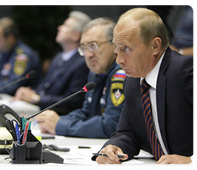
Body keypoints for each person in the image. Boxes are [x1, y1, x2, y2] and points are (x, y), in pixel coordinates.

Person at [94, 8, 194, 165]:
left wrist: (192, 161)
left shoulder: (185, 71)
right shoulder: (133, 81)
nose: (119, 60)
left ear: (155, 46)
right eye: (117, 49)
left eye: (126, 48)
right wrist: (114, 147)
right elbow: (128, 132)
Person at [35, 17, 126, 138]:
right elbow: (87, 113)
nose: (89, 54)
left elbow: (111, 125)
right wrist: (52, 121)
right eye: (84, 48)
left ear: (115, 46)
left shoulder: (121, 73)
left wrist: (60, 125)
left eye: (94, 45)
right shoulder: (96, 71)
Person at [13, 11, 91, 115]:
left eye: (66, 25)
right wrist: (27, 93)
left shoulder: (82, 62)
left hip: (58, 116)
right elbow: (45, 87)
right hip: (43, 112)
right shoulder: (58, 57)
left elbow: (72, 101)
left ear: (76, 35)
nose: (59, 27)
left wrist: (36, 99)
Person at [0, 17, 42, 96]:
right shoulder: (2, 52)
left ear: (10, 38)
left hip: (23, 103)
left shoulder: (22, 56)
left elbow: (11, 87)